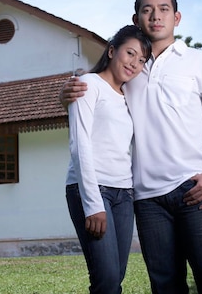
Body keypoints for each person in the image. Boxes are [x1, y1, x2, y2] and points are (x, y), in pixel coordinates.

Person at [61, 0, 202, 293]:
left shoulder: (201, 62)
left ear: (177, 17)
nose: (155, 16)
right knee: (165, 286)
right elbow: (98, 93)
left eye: (163, 9)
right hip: (146, 199)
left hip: (196, 187)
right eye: (147, 10)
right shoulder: (130, 70)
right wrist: (66, 95)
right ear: (136, 19)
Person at [65, 24, 152, 294]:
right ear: (112, 50)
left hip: (124, 194)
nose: (134, 64)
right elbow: (80, 144)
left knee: (116, 276)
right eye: (130, 53)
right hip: (93, 190)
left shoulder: (129, 97)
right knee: (107, 279)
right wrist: (93, 204)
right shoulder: (89, 85)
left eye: (141, 60)